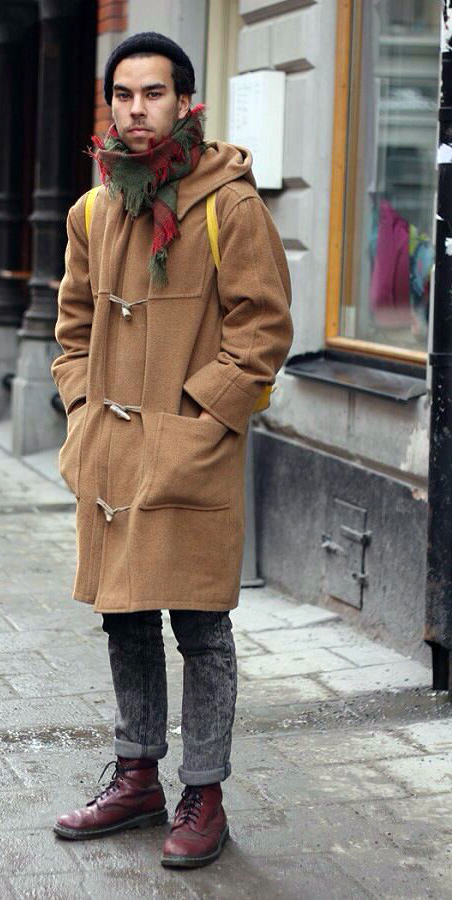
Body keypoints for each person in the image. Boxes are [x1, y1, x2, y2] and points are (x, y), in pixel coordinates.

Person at [51, 31, 293, 869]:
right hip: (111, 453)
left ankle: (205, 794)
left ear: (185, 102)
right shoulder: (92, 211)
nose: (136, 109)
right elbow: (72, 329)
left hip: (191, 450)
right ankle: (136, 777)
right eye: (123, 95)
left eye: (153, 93)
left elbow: (264, 331)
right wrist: (83, 410)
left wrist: (199, 417)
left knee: (201, 626)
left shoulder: (230, 205)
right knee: (124, 618)